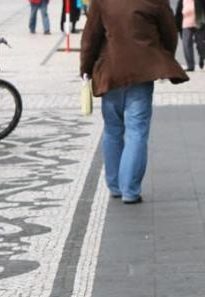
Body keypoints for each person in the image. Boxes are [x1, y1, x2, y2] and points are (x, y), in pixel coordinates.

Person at [80, 0, 188, 204]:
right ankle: (130, 190)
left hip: (110, 74)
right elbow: (170, 32)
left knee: (112, 130)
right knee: (136, 132)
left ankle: (115, 186)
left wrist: (85, 68)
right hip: (142, 73)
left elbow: (90, 37)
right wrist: (162, 59)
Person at [173, 0, 205, 71]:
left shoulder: (200, 1)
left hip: (199, 24)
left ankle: (202, 56)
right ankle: (190, 65)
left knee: (201, 44)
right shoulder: (182, 1)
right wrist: (177, 27)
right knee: (187, 45)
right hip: (186, 25)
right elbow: (178, 14)